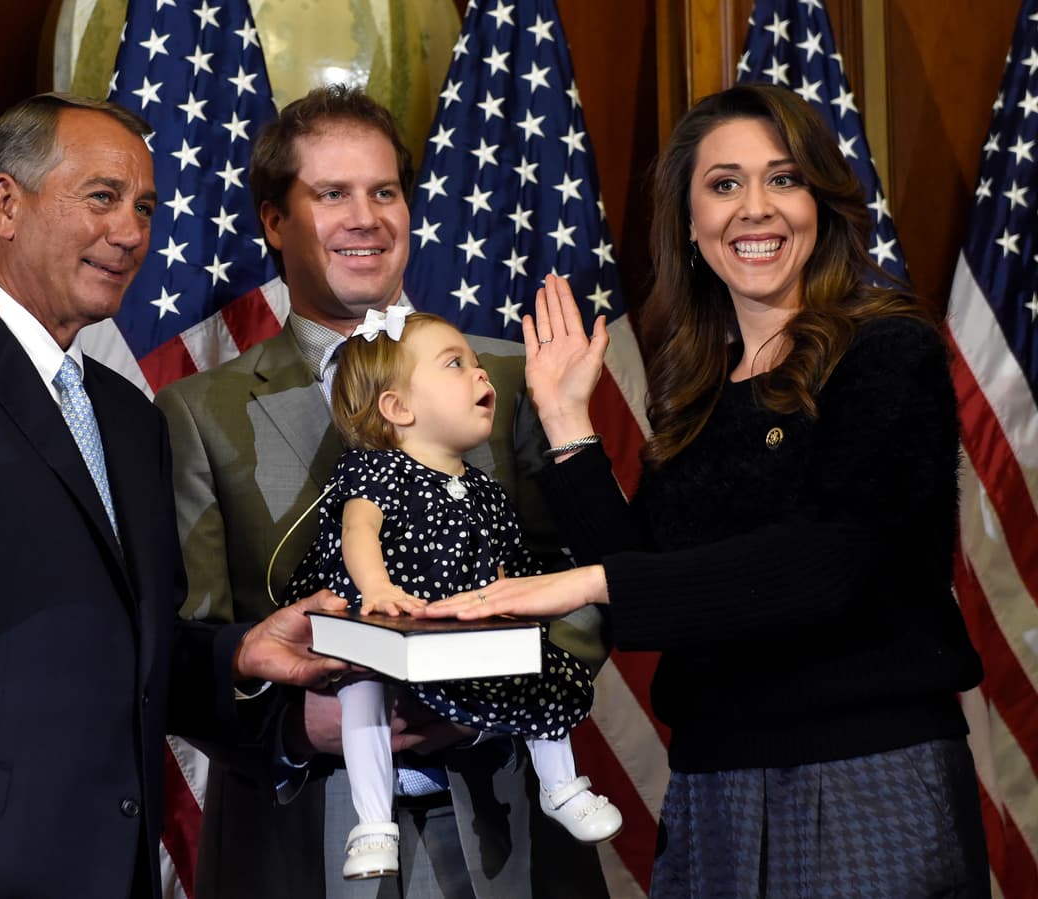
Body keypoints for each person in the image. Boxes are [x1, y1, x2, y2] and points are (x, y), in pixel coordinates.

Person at [422, 83, 990, 896]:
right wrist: (566, 416)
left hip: (868, 777)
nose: (755, 207)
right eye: (725, 184)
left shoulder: (888, 350)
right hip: (712, 786)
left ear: (821, 204)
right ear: (690, 224)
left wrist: (584, 582)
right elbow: (648, 582)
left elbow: (825, 564)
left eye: (783, 179)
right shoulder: (698, 389)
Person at [0, 93, 346, 899]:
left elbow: (120, 652)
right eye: (102, 197)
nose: (130, 232)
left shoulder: (129, 419)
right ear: (6, 205)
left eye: (144, 208)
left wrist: (236, 655)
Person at [154, 85, 612, 898]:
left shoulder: (509, 376)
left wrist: (496, 686)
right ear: (274, 221)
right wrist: (296, 725)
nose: (365, 218)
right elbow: (187, 644)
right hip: (301, 836)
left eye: (384, 191)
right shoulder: (198, 410)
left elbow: (589, 576)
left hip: (508, 829)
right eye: (332, 194)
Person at [282, 308, 622, 881]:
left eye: (477, 362)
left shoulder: (484, 490)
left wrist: (509, 609)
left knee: (539, 671)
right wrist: (377, 588)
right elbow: (357, 531)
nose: (481, 373)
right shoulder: (374, 471)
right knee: (361, 688)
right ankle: (373, 823)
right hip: (383, 620)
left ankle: (561, 784)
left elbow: (505, 563)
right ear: (398, 408)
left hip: (459, 633)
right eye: (455, 364)